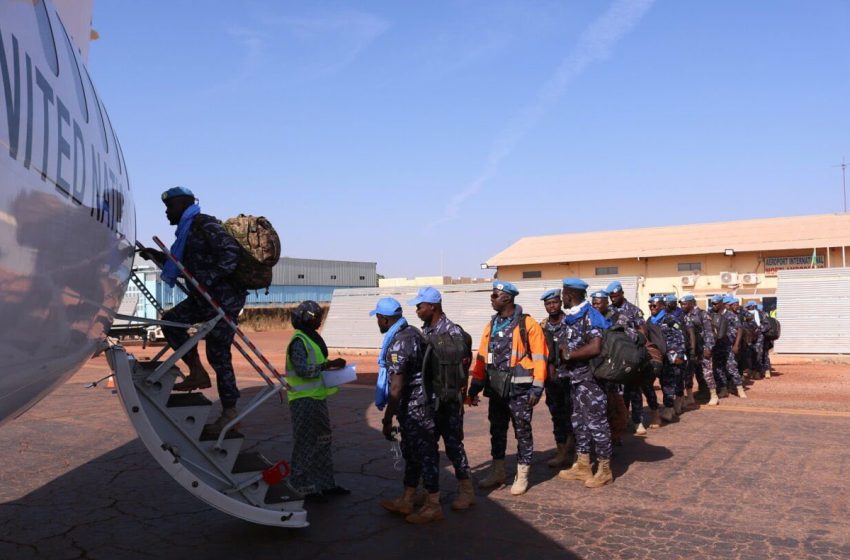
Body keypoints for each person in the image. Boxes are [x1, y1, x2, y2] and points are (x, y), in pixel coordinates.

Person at [139, 186, 246, 433]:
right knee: (172, 322)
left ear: (184, 204)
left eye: (170, 206)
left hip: (222, 299)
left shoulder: (203, 224)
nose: (167, 212)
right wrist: (156, 255)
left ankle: (230, 413)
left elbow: (231, 254)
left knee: (218, 355)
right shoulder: (185, 233)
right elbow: (182, 264)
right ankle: (196, 371)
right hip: (204, 298)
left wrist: (208, 278)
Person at [467, 281, 547, 496]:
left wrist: (537, 388)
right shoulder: (491, 325)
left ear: (508, 298)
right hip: (496, 389)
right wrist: (475, 385)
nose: (491, 299)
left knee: (522, 431)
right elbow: (482, 358)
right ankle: (498, 471)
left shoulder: (528, 324)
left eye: (495, 295)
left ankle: (522, 474)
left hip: (520, 390)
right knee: (497, 430)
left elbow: (540, 358)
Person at [372, 298, 442, 524]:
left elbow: (396, 386)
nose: (377, 322)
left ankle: (433, 504)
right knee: (412, 455)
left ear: (384, 318)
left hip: (417, 408)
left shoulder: (400, 342)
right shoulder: (410, 332)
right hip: (414, 407)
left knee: (426, 455)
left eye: (378, 318)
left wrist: (387, 418)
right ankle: (408, 499)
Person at [409, 287, 475, 511]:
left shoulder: (451, 333)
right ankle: (429, 495)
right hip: (429, 402)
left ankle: (466, 490)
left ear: (433, 307)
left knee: (454, 446)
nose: (417, 310)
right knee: (426, 448)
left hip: (447, 402)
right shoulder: (427, 331)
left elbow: (460, 365)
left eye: (420, 306)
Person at [285, 301, 349, 501]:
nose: (319, 321)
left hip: (317, 398)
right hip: (303, 400)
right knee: (305, 443)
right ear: (306, 318)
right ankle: (302, 488)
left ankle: (325, 484)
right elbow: (303, 370)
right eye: (315, 317)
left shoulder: (311, 338)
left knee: (322, 441)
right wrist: (327, 366)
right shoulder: (299, 341)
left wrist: (330, 368)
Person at [557, 278, 614, 488]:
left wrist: (570, 355)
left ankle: (605, 469)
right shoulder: (571, 316)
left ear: (569, 295)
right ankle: (582, 466)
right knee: (579, 423)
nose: (562, 298)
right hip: (575, 380)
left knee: (597, 424)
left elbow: (595, 347)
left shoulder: (591, 316)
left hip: (591, 380)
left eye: (563, 294)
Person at [608, 281, 658, 431]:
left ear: (622, 294)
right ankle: (623, 420)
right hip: (616, 357)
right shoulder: (608, 310)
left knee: (635, 389)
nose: (613, 299)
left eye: (615, 296)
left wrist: (634, 342)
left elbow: (643, 331)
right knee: (620, 391)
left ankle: (638, 421)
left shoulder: (634, 310)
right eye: (611, 297)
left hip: (632, 354)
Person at [539, 288, 574, 469]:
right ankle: (561, 450)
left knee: (573, 414)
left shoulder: (571, 322)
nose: (551, 306)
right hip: (551, 380)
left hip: (570, 377)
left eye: (554, 302)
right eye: (548, 303)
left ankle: (573, 451)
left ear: (560, 303)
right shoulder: (541, 327)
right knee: (556, 415)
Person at [590, 290, 629, 446]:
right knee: (598, 405)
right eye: (593, 303)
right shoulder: (589, 318)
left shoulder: (619, 317)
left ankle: (616, 434)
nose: (595, 306)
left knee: (615, 403)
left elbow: (628, 337)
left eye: (598, 303)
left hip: (614, 367)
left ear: (606, 303)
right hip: (596, 367)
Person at [648, 295, 686, 423]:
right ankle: (672, 405)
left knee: (670, 382)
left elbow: (680, 337)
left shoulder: (670, 319)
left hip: (671, 356)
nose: (652, 308)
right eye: (650, 306)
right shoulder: (650, 321)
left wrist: (679, 355)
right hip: (658, 357)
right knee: (665, 382)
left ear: (662, 306)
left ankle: (670, 408)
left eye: (655, 305)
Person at [680, 294, 719, 406]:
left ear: (692, 303)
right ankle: (690, 397)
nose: (682, 306)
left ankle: (714, 396)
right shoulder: (684, 315)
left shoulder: (702, 314)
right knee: (689, 373)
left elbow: (709, 332)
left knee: (707, 373)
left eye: (685, 303)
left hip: (703, 349)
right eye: (681, 304)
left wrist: (708, 348)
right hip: (691, 350)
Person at [719, 296, 747, 399]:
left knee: (732, 367)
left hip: (729, 345)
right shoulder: (720, 314)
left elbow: (740, 330)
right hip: (720, 345)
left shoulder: (732, 315)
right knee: (720, 369)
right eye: (733, 304)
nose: (736, 306)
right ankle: (724, 389)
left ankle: (740, 389)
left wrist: (736, 344)